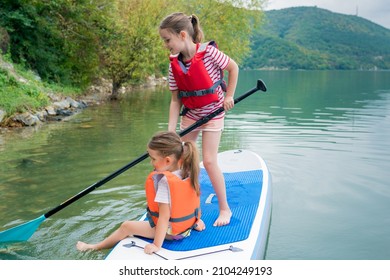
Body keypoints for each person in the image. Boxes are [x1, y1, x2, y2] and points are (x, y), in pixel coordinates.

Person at [159, 12, 239, 226]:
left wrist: (229, 95)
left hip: (214, 113)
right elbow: (175, 100)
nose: (166, 45)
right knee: (185, 163)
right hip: (191, 116)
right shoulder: (173, 65)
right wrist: (171, 130)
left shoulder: (210, 53)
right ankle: (193, 213)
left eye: (167, 40)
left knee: (210, 161)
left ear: (182, 35)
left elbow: (233, 68)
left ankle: (225, 209)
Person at [76, 131, 205, 255]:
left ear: (167, 161)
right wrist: (195, 221)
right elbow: (189, 200)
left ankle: (95, 247)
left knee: (126, 226)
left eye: (153, 159)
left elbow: (164, 217)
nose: (151, 162)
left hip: (172, 233)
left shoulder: (165, 183)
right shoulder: (188, 171)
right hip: (188, 227)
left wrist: (156, 245)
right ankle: (192, 224)